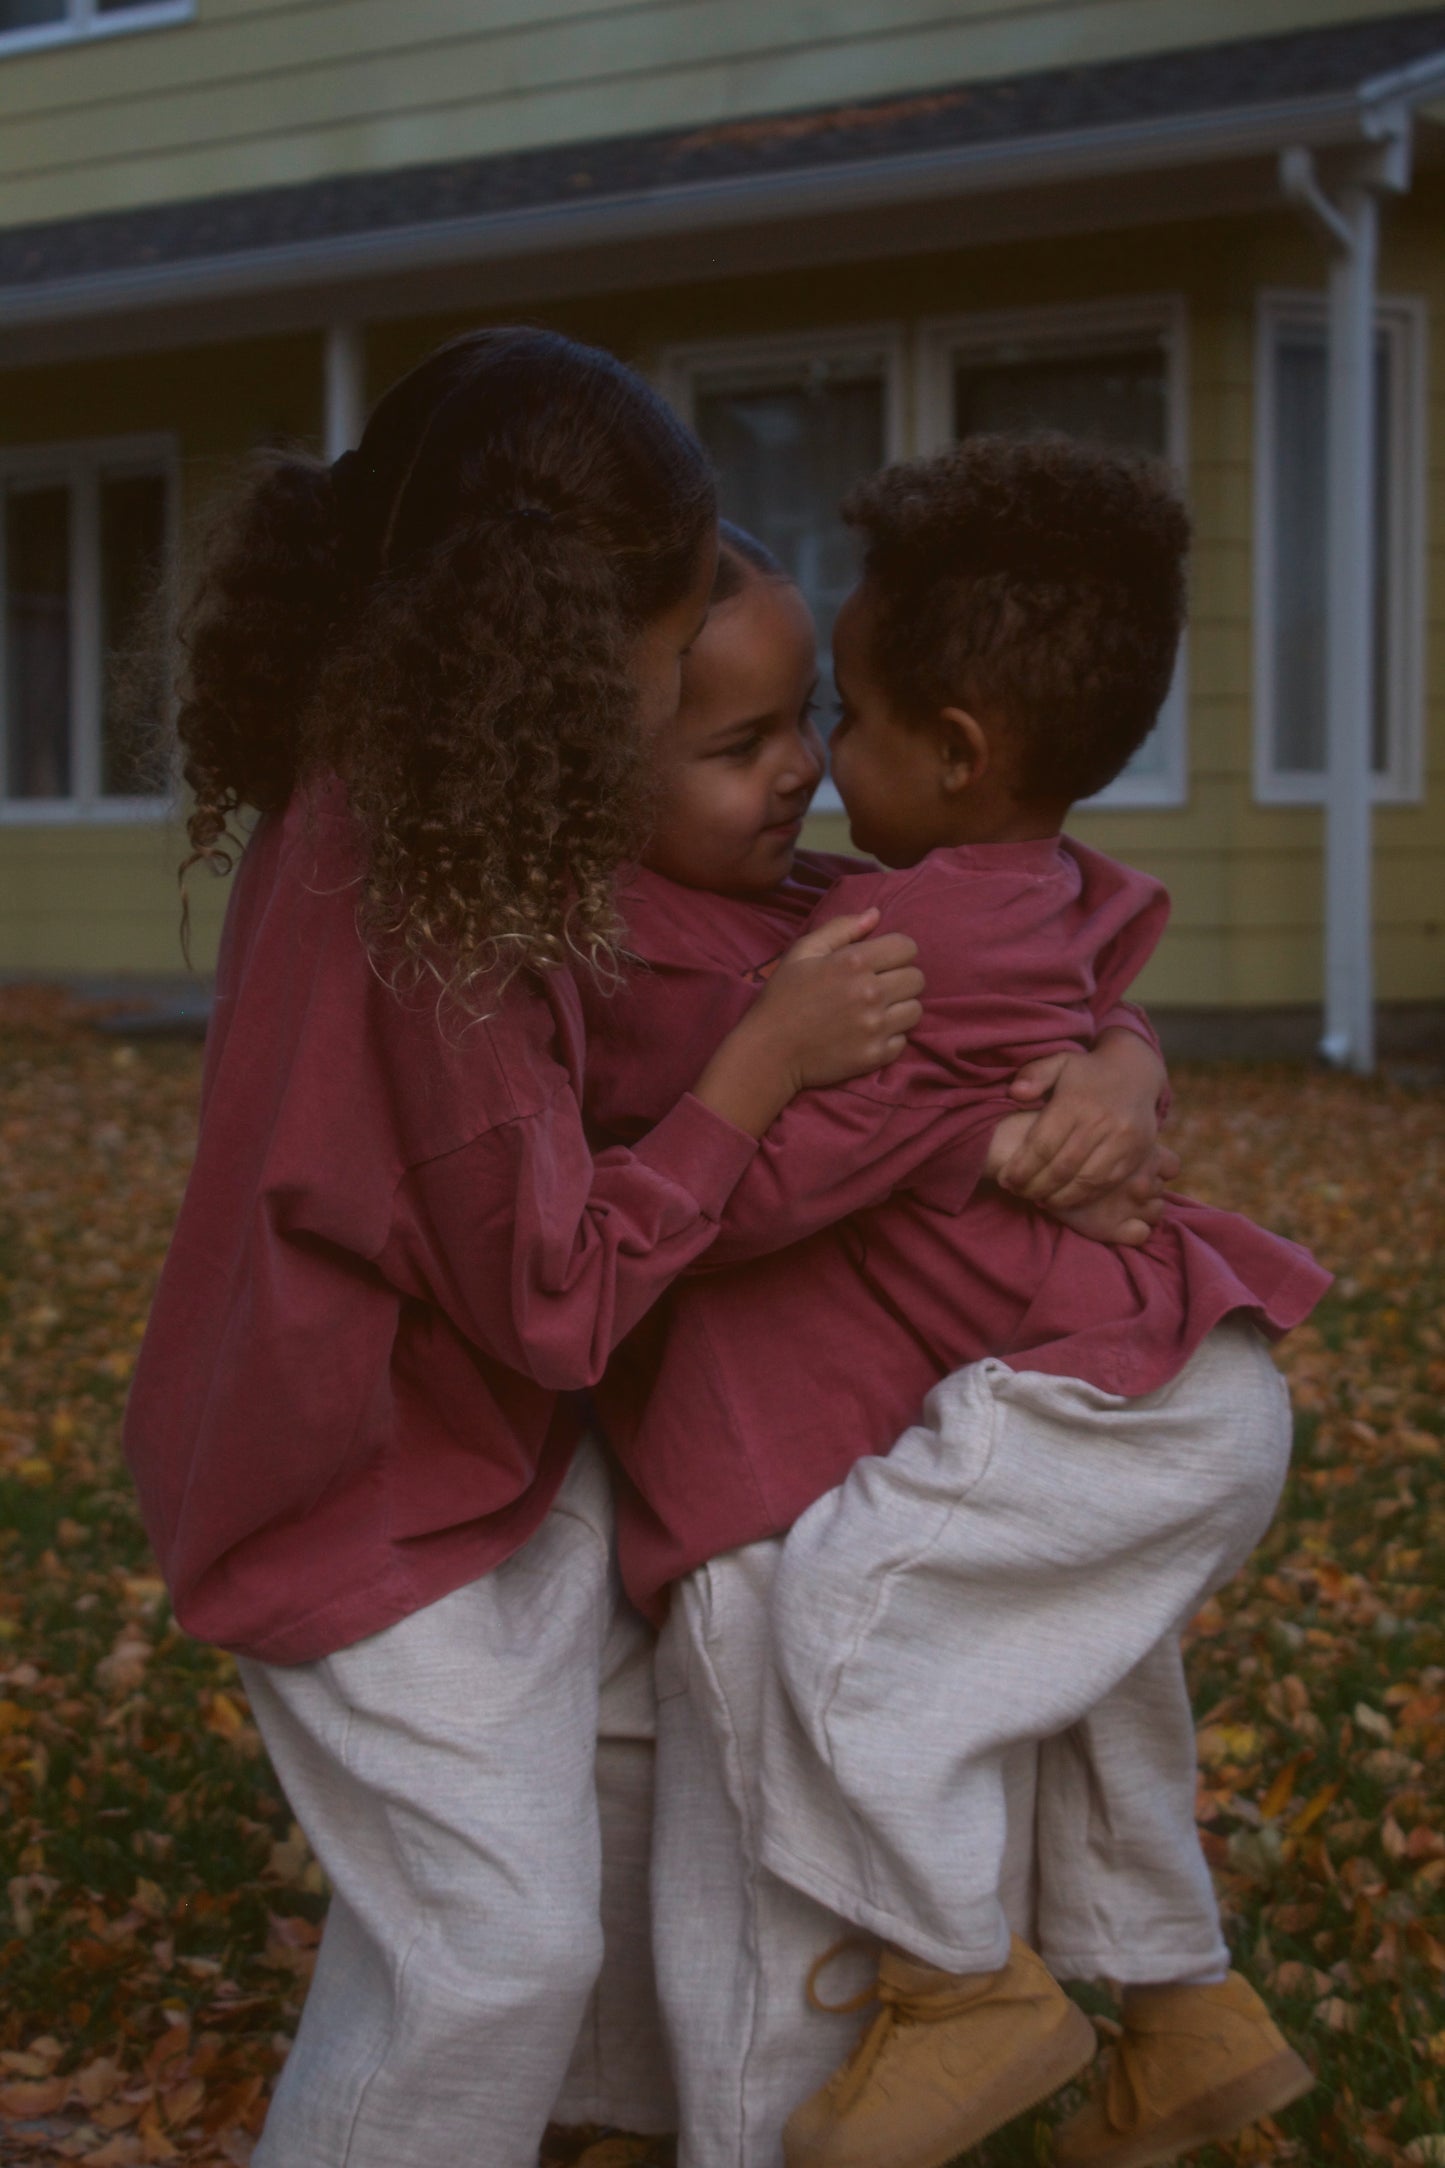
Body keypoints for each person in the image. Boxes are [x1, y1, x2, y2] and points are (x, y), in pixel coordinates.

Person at [121, 327, 929, 2168]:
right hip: (341, 1476)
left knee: (648, 1774)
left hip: (464, 1434)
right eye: (671, 670)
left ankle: (611, 2129)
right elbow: (557, 1292)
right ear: (562, 661)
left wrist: (1086, 1026)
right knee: (491, 1954)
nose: (684, 698)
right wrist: (756, 1073)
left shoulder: (422, 786)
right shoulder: (426, 912)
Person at [578, 453, 1327, 2168]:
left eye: (837, 720)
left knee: (846, 1636)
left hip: (1099, 1393)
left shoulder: (895, 952)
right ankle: (1177, 2005)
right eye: (754, 738)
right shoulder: (991, 892)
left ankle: (955, 1982)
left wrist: (750, 1079)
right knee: (1085, 1675)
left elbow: (753, 1192)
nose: (815, 768)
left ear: (960, 749)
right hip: (1157, 1368)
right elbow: (1110, 938)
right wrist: (1112, 1056)